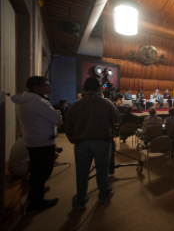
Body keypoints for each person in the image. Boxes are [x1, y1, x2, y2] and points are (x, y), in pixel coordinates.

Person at [65, 77, 121, 209]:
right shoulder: (106, 103)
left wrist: (74, 140)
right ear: (99, 88)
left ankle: (80, 199)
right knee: (102, 170)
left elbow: (67, 126)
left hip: (81, 143)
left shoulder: (76, 105)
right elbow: (117, 119)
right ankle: (104, 193)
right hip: (102, 141)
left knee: (82, 172)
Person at [11, 76, 62, 214]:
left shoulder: (25, 99)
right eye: (47, 85)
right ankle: (36, 202)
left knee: (37, 170)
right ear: (36, 88)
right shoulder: (38, 102)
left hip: (32, 139)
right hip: (42, 142)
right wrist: (57, 113)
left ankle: (36, 191)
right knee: (43, 171)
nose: (49, 88)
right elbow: (57, 119)